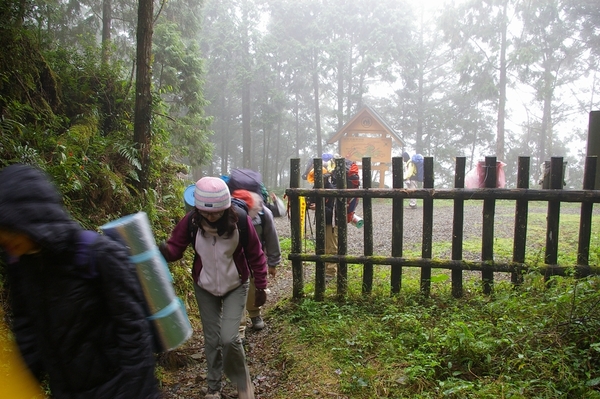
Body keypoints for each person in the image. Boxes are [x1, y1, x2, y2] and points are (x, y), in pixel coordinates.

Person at [0, 164, 160, 399]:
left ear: (30, 217)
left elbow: (135, 335)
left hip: (117, 390)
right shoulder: (21, 265)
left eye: (9, 228)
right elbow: (27, 335)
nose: (5, 238)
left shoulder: (99, 255)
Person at [159, 177, 267, 399]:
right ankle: (214, 387)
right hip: (204, 286)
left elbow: (256, 255)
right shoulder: (191, 222)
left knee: (229, 338)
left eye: (216, 213)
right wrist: (162, 251)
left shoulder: (241, 221)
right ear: (198, 210)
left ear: (226, 208)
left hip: (236, 284)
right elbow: (175, 249)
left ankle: (243, 384)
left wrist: (262, 287)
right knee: (212, 339)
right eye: (206, 213)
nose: (211, 217)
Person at [231, 189, 281, 336]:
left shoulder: (264, 214)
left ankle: (254, 313)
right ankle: (239, 327)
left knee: (253, 286)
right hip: (232, 260)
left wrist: (273, 262)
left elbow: (272, 238)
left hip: (254, 258)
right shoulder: (228, 215)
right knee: (235, 289)